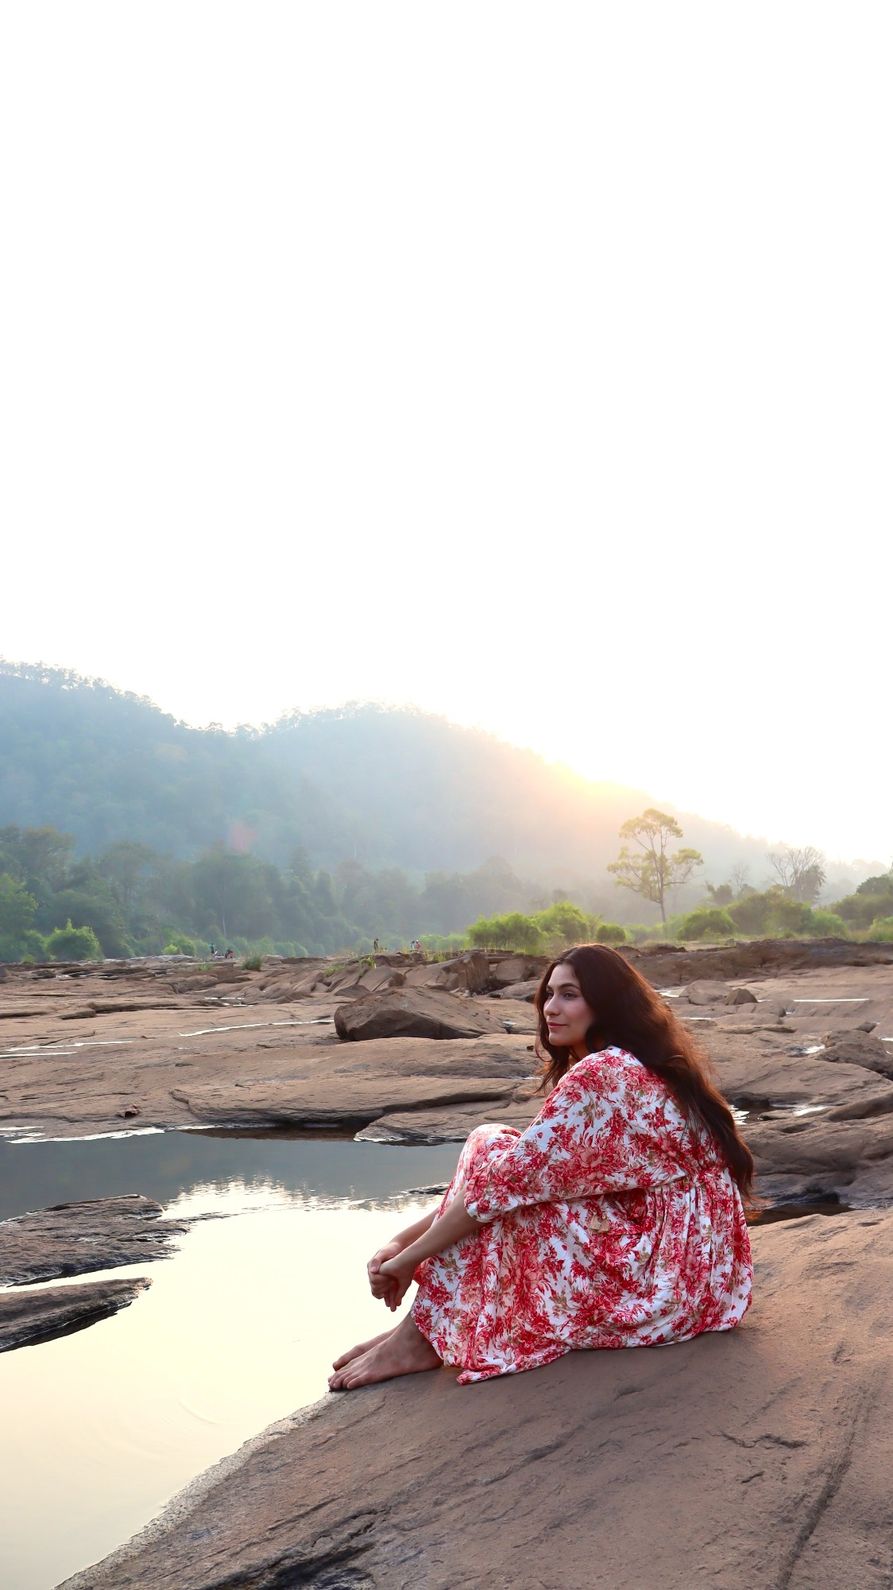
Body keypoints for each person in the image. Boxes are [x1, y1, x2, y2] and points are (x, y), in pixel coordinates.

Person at [329, 943, 754, 1391]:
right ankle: (430, 1327)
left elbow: (501, 1189)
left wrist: (407, 1258)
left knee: (494, 1157)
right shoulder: (636, 1061)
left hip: (665, 1282)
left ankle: (420, 1337)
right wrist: (401, 1242)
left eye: (569, 995)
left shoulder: (602, 1073)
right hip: (706, 1279)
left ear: (606, 1003)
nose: (551, 1008)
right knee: (500, 1155)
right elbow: (512, 1178)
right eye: (549, 993)